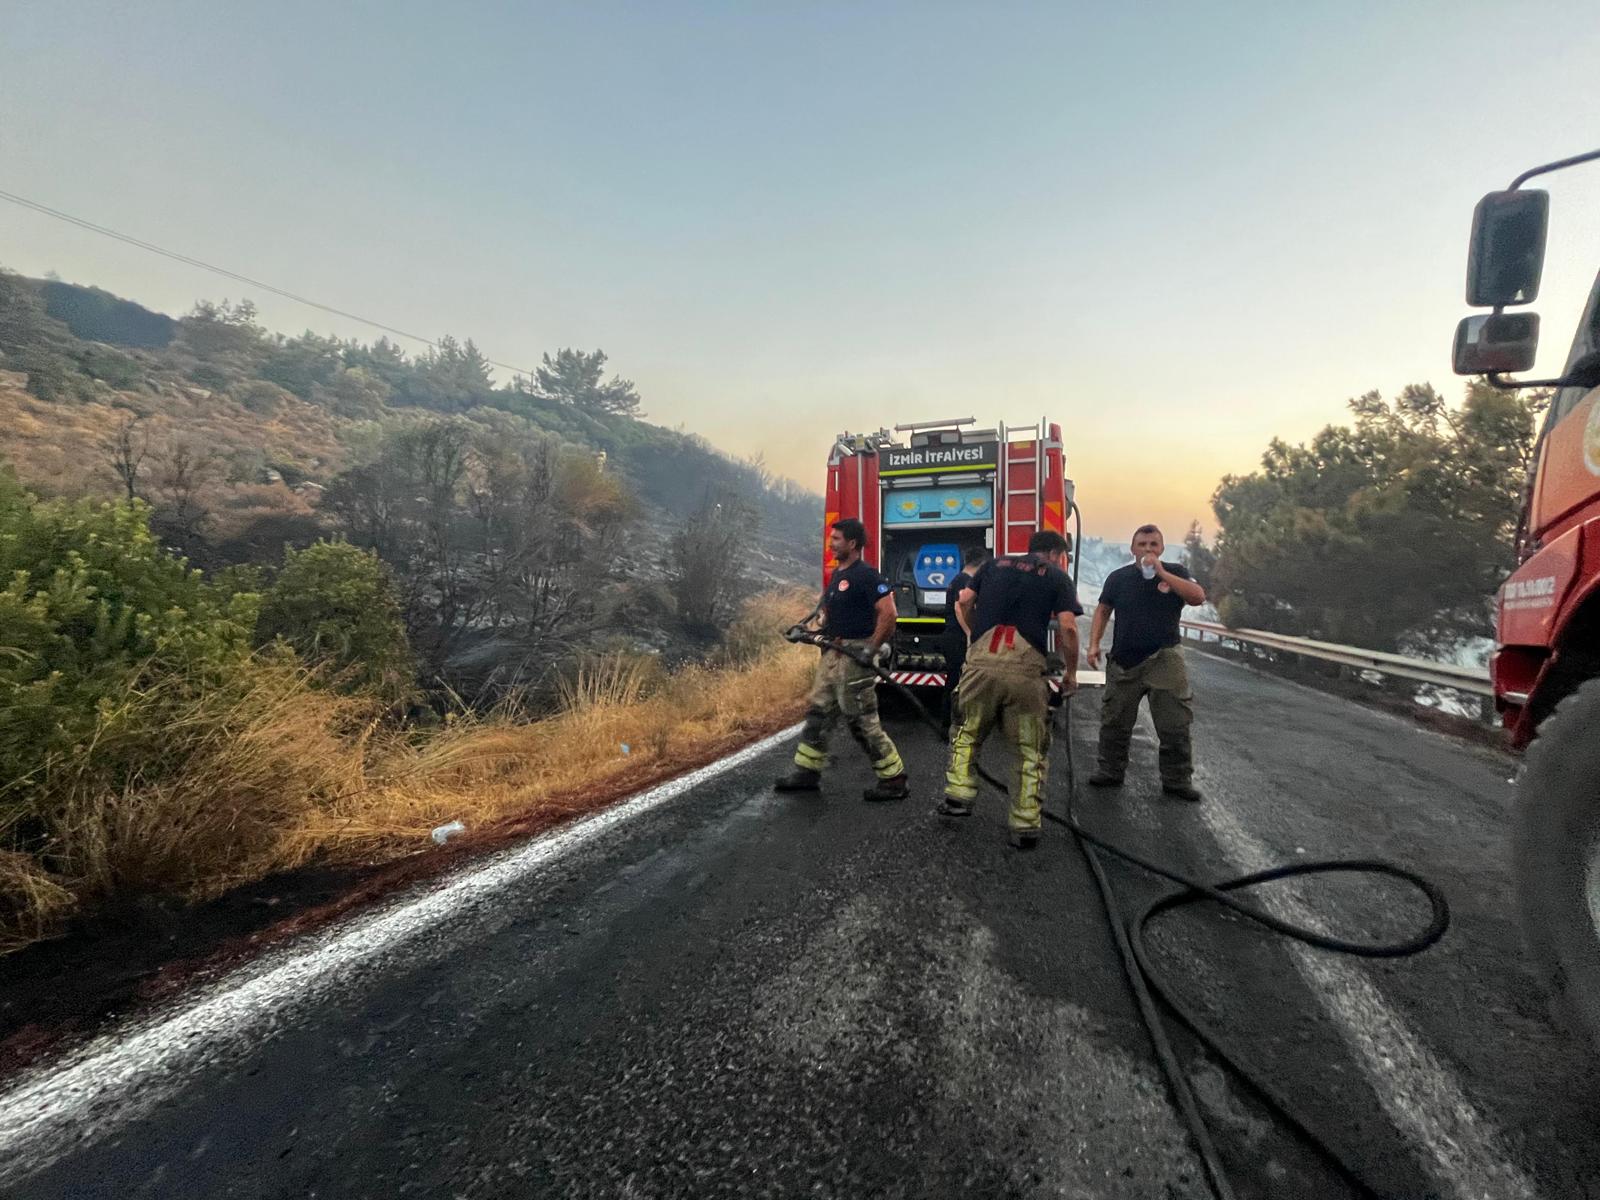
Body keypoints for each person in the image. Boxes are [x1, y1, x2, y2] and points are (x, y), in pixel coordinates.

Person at [938, 530, 1082, 848]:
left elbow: (963, 602)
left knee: (966, 732)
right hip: (1025, 672)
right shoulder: (1057, 577)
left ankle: (958, 797)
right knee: (1029, 749)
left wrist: (975, 637)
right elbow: (1069, 627)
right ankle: (1025, 825)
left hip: (980, 666)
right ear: (1058, 555)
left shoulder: (993, 565)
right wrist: (1070, 673)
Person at [774, 518, 910, 801]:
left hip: (854, 656)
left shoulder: (868, 576)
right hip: (833, 654)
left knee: (860, 720)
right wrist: (813, 629)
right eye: (831, 538)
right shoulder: (838, 576)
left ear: (852, 544)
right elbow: (830, 615)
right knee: (819, 713)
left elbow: (889, 614)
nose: (831, 543)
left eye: (836, 539)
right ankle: (806, 773)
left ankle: (894, 779)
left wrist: (870, 650)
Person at [1084, 524, 1207, 802]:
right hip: (1125, 660)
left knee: (1175, 723)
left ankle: (1177, 780)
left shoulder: (1175, 573)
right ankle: (1110, 771)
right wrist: (1093, 645)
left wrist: (1162, 573)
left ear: (1161, 549)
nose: (1148, 549)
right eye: (1142, 544)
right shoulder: (1118, 578)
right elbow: (1103, 610)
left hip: (1165, 658)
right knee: (1115, 720)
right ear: (1133, 549)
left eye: (1153, 544)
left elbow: (1197, 597)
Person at [940, 545, 991, 731]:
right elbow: (959, 607)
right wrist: (969, 633)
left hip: (951, 637)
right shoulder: (966, 581)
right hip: (957, 638)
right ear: (981, 564)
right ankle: (950, 725)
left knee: (954, 681)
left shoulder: (957, 579)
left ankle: (950, 724)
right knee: (956, 682)